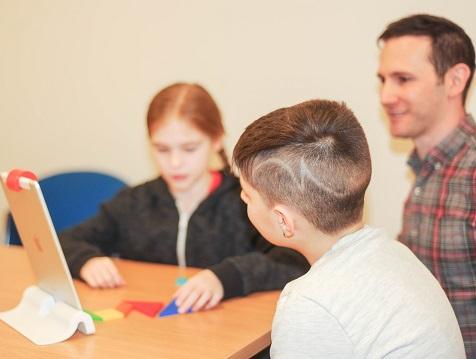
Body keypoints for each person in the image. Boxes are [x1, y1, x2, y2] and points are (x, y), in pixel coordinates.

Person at [233, 99, 465, 358]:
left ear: (283, 221)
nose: (242, 200)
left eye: (246, 195)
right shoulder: (396, 254)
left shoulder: (310, 304)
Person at [59, 82, 309, 313]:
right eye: (162, 149)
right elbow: (66, 240)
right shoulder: (135, 202)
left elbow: (294, 260)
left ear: (216, 141)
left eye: (189, 148)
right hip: (158, 334)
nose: (175, 163)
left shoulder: (246, 201)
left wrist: (224, 278)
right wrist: (85, 260)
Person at [377, 14, 475, 357]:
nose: (386, 95)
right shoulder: (425, 170)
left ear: (455, 80)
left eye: (403, 79)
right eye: (383, 79)